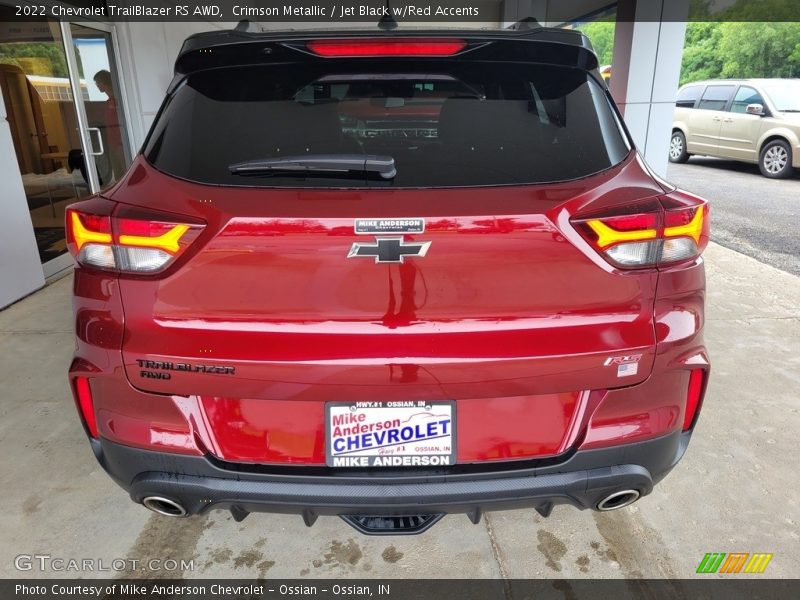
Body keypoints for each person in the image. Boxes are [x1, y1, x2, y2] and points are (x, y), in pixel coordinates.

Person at [93, 70, 126, 182]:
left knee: (126, 176)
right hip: (112, 146)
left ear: (104, 82)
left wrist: (121, 141)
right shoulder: (109, 102)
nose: (97, 86)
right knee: (119, 179)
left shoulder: (118, 99)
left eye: (98, 83)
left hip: (121, 145)